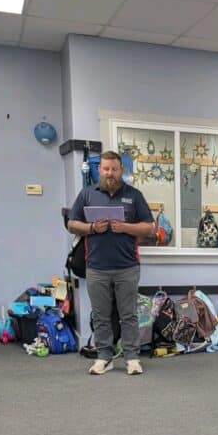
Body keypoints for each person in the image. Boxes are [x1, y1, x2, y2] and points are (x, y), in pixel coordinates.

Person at [66, 150, 154, 376]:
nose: (110, 173)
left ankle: (132, 357)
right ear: (99, 170)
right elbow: (72, 224)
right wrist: (92, 228)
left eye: (114, 169)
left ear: (121, 170)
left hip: (127, 267)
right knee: (101, 315)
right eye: (105, 169)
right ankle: (104, 357)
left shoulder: (134, 195)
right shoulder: (87, 194)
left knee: (129, 316)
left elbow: (148, 227)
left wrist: (125, 227)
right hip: (96, 267)